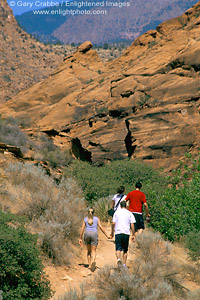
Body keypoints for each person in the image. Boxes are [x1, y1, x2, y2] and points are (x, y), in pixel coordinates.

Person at [110, 201, 136, 268]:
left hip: (118, 232)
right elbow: (132, 224)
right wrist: (133, 234)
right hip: (126, 233)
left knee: (118, 248)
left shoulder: (117, 212)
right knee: (125, 250)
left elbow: (113, 223)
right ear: (126, 206)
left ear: (120, 206)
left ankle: (118, 259)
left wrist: (112, 232)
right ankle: (124, 264)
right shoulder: (129, 213)